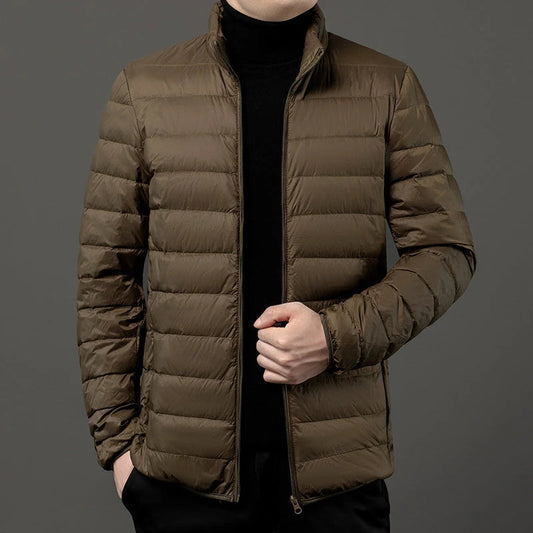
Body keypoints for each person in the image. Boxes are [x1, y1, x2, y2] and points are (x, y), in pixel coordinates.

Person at [76, 1, 477, 532]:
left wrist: (335, 336)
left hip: (335, 485)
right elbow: (107, 276)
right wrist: (119, 446)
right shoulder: (144, 90)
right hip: (178, 487)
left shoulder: (387, 87)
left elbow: (446, 252)